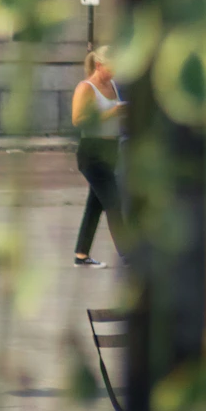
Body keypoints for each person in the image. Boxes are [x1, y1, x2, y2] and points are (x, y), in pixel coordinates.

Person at [72, 45, 126, 267]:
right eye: (111, 68)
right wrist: (111, 113)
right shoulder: (86, 88)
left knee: (95, 205)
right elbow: (78, 120)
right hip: (92, 152)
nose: (114, 73)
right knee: (114, 202)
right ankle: (129, 255)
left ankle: (81, 254)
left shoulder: (112, 85)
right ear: (99, 65)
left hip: (110, 150)